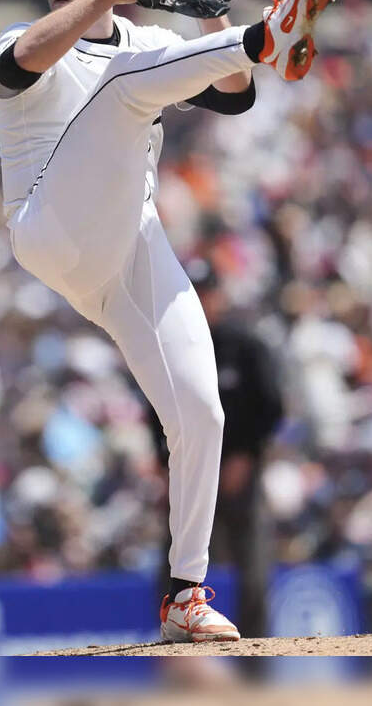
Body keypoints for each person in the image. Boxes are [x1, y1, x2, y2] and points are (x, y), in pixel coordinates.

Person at [0, 0, 337, 642]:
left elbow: (235, 94)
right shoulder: (25, 36)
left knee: (202, 411)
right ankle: (270, 31)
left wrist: (211, 14)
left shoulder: (147, 48)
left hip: (125, 246)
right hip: (47, 226)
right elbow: (25, 61)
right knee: (124, 91)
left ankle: (185, 592)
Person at [148, 259, 285, 638]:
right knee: (173, 564)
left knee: (254, 566)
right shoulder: (170, 347)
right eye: (195, 293)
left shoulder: (244, 346)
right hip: (190, 472)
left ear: (219, 296)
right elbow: (153, 410)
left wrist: (247, 456)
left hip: (240, 473)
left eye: (207, 292)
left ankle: (257, 654)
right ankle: (172, 649)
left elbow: (271, 406)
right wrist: (164, 464)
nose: (202, 301)